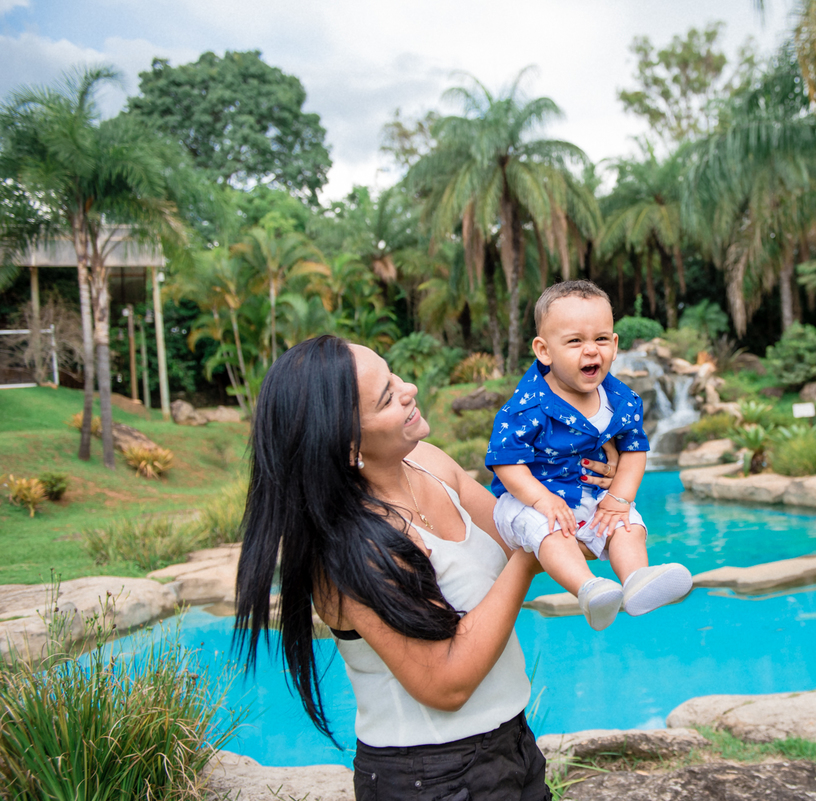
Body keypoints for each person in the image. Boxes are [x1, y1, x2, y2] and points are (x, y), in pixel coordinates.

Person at [234, 335, 620, 801]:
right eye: (388, 396)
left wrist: (593, 482)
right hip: (430, 775)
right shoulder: (353, 547)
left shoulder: (427, 462)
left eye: (394, 376)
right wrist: (526, 560)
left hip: (512, 743)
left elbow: (531, 533)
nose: (409, 387)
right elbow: (446, 683)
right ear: (348, 442)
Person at [486, 281, 692, 631]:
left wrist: (619, 498)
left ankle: (636, 581)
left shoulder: (621, 400)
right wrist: (542, 500)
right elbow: (507, 461)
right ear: (544, 350)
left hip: (592, 495)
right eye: (575, 341)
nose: (591, 351)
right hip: (531, 501)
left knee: (627, 526)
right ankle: (589, 588)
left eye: (600, 339)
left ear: (614, 345)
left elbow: (634, 450)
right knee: (551, 533)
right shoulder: (528, 405)